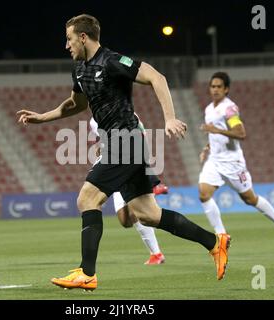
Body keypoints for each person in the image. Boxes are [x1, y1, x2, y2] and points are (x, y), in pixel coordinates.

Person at [17, 14, 231, 291]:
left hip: (127, 140)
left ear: (83, 37)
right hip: (115, 142)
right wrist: (42, 117)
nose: (66, 45)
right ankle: (215, 243)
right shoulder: (79, 69)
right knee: (148, 214)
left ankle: (87, 273)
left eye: (69, 39)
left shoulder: (113, 61)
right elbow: (75, 104)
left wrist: (169, 118)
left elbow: (157, 77)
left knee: (87, 198)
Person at [198, 71, 274, 246]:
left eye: (219, 86)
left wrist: (217, 130)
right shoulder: (209, 109)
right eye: (212, 86)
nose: (215, 89)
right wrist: (207, 148)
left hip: (233, 163)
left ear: (226, 89)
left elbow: (241, 133)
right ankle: (221, 236)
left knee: (250, 199)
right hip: (215, 161)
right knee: (204, 194)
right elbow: (215, 134)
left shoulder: (229, 108)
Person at [90, 116, 167, 265]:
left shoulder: (123, 110)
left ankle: (156, 254)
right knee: (125, 221)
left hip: (129, 164)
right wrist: (100, 147)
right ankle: (150, 193)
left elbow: (140, 131)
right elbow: (103, 138)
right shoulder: (93, 120)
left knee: (140, 212)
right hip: (113, 164)